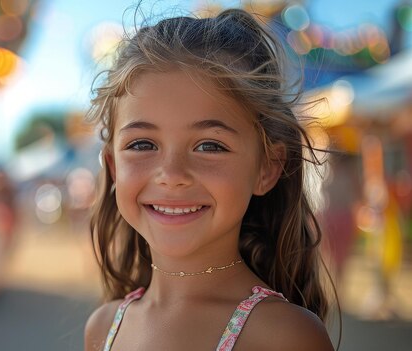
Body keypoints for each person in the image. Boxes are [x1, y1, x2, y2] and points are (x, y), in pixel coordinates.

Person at [84, 8, 336, 351]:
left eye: (209, 146)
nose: (172, 175)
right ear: (113, 167)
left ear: (268, 168)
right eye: (142, 144)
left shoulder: (285, 336)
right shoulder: (103, 327)